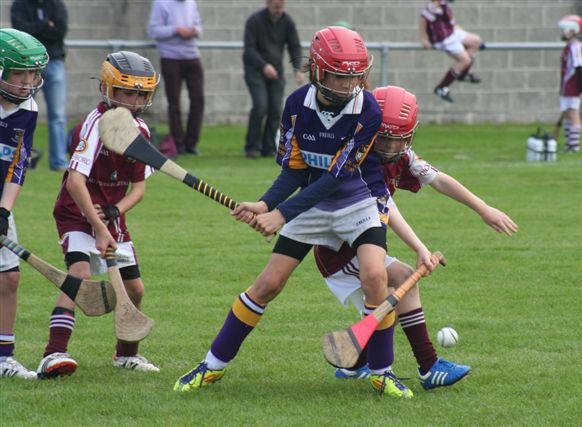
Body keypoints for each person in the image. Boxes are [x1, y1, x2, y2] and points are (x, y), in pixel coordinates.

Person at [174, 27, 437, 399]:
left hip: (360, 202)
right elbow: (295, 170)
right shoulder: (297, 105)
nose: (349, 86)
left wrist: (280, 215)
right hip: (311, 205)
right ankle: (212, 365)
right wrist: (266, 204)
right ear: (317, 70)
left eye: (356, 77)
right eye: (340, 77)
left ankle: (382, 371)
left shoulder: (369, 112)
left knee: (375, 276)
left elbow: (336, 176)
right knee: (268, 285)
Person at [314, 85, 519, 391]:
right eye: (383, 138)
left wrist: (483, 208)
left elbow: (440, 180)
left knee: (391, 302)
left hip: (361, 246)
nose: (388, 147)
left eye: (396, 140)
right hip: (339, 250)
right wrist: (420, 247)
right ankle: (425, 367)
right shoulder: (359, 158)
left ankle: (359, 363)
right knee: (390, 298)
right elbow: (387, 207)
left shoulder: (402, 155)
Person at [36, 51, 161, 379]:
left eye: (139, 94)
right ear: (108, 89)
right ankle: (53, 355)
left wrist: (113, 213)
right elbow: (75, 182)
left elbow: (138, 189)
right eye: (126, 93)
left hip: (110, 216)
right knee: (80, 275)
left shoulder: (140, 132)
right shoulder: (93, 127)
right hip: (76, 213)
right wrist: (96, 224)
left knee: (135, 290)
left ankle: (126, 356)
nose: (132, 102)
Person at [0, 28, 48, 379]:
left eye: (33, 74)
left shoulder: (28, 109)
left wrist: (4, 210)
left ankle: (3, 359)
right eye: (20, 73)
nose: (28, 82)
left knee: (9, 279)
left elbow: (17, 165)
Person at [242, 0, 305, 158]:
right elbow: (249, 49)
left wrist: (298, 69)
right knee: (260, 106)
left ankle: (269, 148)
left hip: (276, 73)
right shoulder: (254, 21)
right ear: (268, 4)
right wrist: (264, 65)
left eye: (281, 7)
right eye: (276, 7)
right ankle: (252, 147)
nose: (279, 10)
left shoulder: (287, 22)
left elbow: (294, 46)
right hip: (255, 71)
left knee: (276, 110)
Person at [11, 0, 69, 171]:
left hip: (54, 62)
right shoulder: (20, 5)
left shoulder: (56, 4)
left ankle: (58, 162)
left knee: (57, 115)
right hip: (28, 66)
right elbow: (20, 32)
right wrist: (45, 24)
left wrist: (35, 30)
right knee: (21, 111)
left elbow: (60, 30)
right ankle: (17, 156)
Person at [147, 0, 204, 156]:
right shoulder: (161, 3)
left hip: (192, 55)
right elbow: (153, 31)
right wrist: (176, 30)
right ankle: (177, 143)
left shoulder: (191, 3)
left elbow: (200, 27)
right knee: (174, 103)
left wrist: (195, 31)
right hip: (171, 57)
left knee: (198, 100)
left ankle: (191, 144)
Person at [419, 0, 484, 103]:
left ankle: (463, 73)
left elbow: (453, 24)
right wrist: (424, 39)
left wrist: (465, 35)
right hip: (443, 39)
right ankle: (442, 87)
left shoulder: (445, 5)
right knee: (465, 60)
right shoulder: (430, 8)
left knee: (476, 41)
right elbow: (423, 22)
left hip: (451, 33)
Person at [557, 15, 582, 153]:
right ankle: (569, 143)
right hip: (566, 85)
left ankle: (574, 145)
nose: (562, 33)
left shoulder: (575, 47)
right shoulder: (568, 47)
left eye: (565, 30)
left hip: (573, 85)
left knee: (573, 113)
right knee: (568, 113)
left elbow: (579, 68)